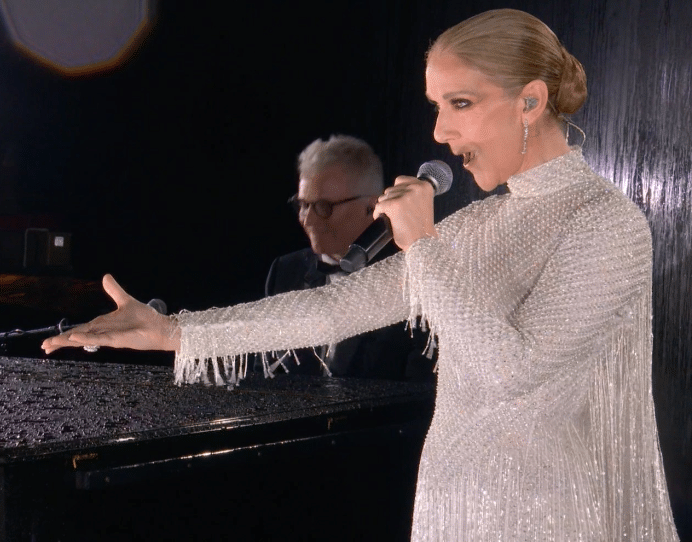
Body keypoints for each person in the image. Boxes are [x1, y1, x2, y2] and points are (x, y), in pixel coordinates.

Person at [43, 8, 679, 541]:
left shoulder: (606, 225)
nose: (440, 130)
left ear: (531, 100)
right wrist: (174, 332)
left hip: (545, 522)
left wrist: (424, 244)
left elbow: (513, 372)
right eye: (436, 106)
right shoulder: (478, 226)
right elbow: (333, 308)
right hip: (447, 510)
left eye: (461, 103)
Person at [265, 134, 433, 379]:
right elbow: (267, 375)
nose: (308, 221)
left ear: (372, 207)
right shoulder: (285, 271)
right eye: (302, 205)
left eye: (324, 207)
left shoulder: (415, 277)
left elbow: (421, 391)